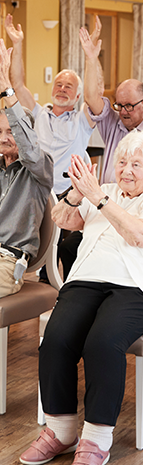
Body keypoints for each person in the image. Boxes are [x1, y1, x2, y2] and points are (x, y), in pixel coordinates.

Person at [19, 130, 143, 465]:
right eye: (122, 162)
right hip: (87, 280)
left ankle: (96, 440)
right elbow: (64, 220)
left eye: (137, 164)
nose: (127, 170)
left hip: (137, 287)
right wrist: (78, 195)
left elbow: (140, 235)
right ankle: (61, 431)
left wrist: (100, 200)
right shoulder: (100, 190)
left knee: (103, 342)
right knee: (56, 338)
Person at [5, 14, 96, 195]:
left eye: (68, 86)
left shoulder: (82, 120)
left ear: (78, 96)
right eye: (59, 85)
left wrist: (90, 57)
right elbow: (18, 85)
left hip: (66, 193)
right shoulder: (38, 113)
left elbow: (94, 95)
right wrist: (17, 44)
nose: (62, 89)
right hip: (34, 188)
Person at [79, 27, 143, 183]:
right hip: (108, 199)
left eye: (129, 106)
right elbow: (91, 98)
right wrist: (91, 58)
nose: (123, 111)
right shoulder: (113, 124)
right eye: (119, 105)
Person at [0, 39, 53, 298]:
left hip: (9, 262)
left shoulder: (39, 168)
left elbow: (29, 148)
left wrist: (7, 90)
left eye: (11, 132)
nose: (4, 138)